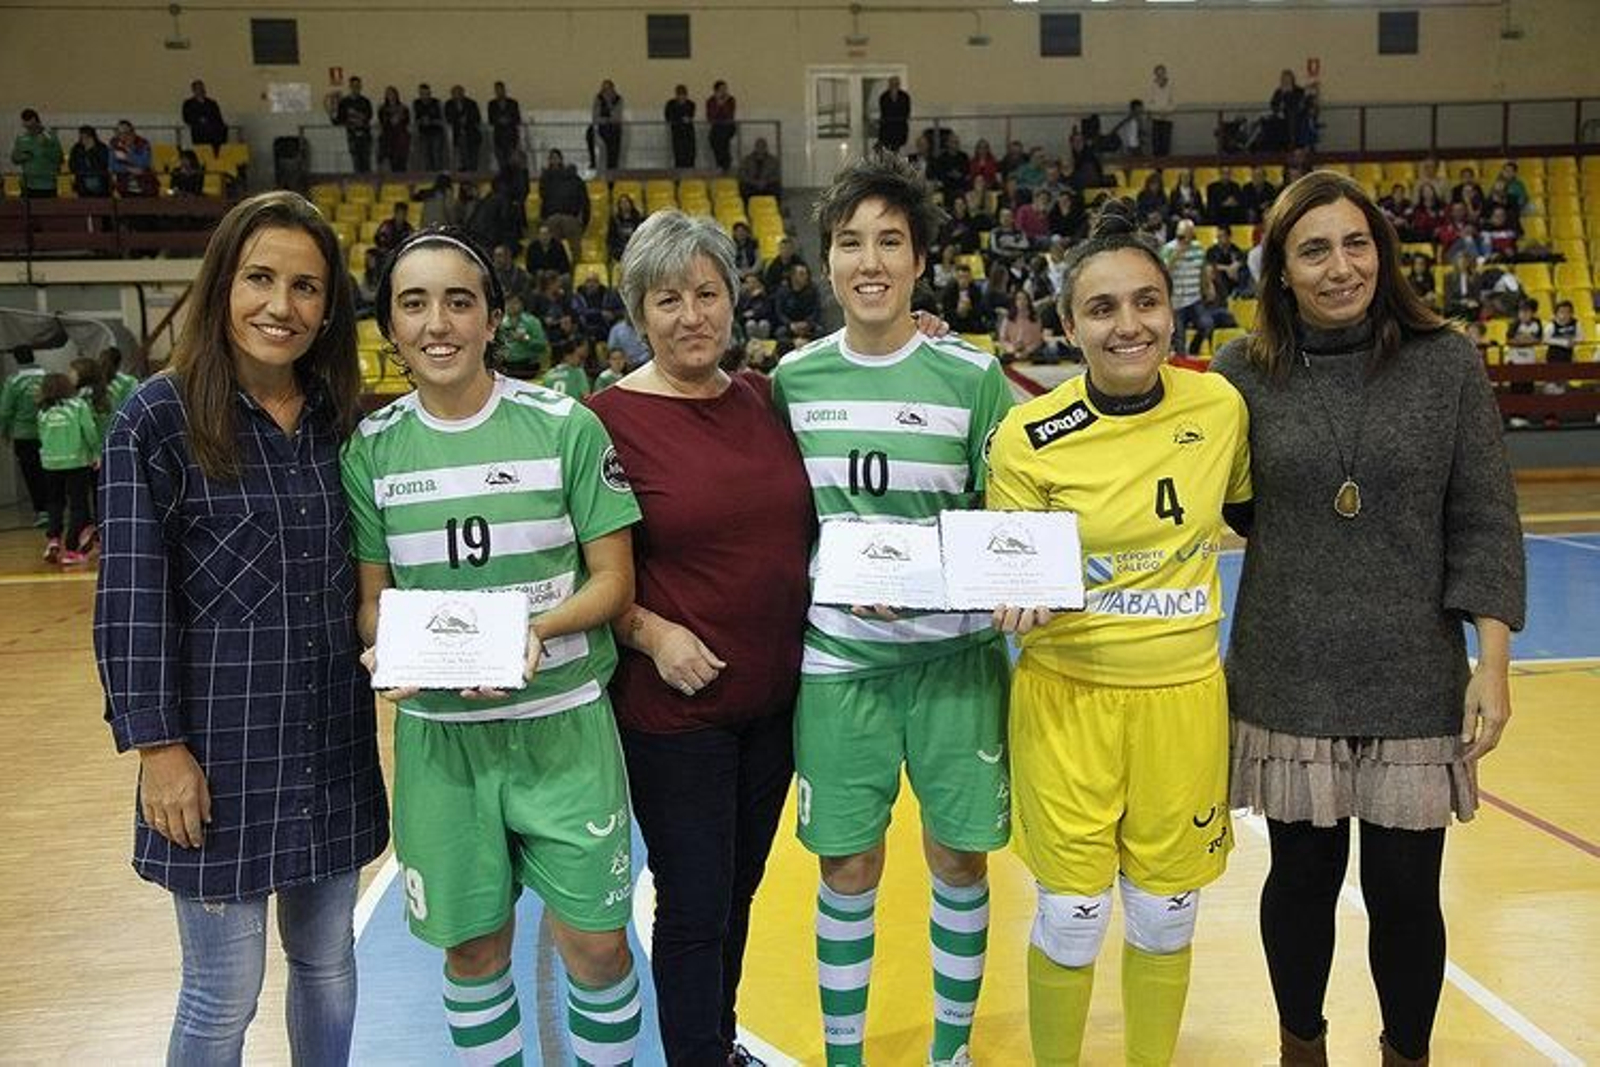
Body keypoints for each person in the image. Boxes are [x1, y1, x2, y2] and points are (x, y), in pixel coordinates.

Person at [1212, 171, 1525, 1067]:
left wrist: (1492, 663)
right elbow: (1187, 467)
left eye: (1356, 244)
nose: (1340, 266)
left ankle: (1407, 1055)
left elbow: (1485, 516)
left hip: (1414, 675)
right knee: (1302, 880)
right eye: (1314, 249)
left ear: (1382, 255)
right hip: (1288, 669)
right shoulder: (1241, 372)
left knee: (1405, 890)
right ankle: (1299, 1049)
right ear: (1282, 271)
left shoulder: (1447, 362)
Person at [93, 190, 388, 1063]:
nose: (280, 306)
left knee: (329, 963)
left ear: (328, 307)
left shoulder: (346, 426)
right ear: (223, 284)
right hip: (215, 760)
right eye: (260, 278)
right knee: (223, 994)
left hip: (332, 747)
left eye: (305, 287)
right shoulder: (156, 419)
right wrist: (158, 748)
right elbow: (130, 602)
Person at [345, 226, 643, 1065]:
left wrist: (534, 633)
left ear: (492, 320)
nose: (437, 322)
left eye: (458, 301)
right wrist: (386, 648)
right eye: (414, 303)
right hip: (443, 743)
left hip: (563, 731)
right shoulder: (372, 451)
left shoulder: (564, 426)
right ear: (392, 329)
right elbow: (373, 603)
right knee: (472, 952)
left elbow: (612, 582)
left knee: (598, 948)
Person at [986, 198, 1251, 1067]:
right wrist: (1010, 597)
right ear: (1069, 323)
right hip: (1068, 701)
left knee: (1167, 912)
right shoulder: (1030, 434)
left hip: (1184, 700)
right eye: (1102, 308)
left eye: (1146, 302)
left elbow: (1259, 516)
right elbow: (1010, 567)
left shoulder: (1219, 406)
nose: (1129, 325)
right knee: (1070, 914)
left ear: (1170, 308)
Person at [771, 153, 1014, 1067]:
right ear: (825, 262)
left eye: (890, 241)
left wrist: (957, 575)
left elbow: (1007, 522)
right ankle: (845, 1056)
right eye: (849, 242)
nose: (869, 260)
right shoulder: (792, 382)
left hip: (956, 665)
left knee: (959, 859)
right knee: (847, 867)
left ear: (919, 261)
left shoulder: (971, 376)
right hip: (839, 668)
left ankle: (948, 1050)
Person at [588, 209, 814, 1067]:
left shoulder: (763, 397)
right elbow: (581, 566)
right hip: (675, 715)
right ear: (639, 312)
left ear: (732, 300)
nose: (693, 315)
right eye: (668, 298)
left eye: (708, 293)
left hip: (773, 704)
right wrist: (648, 631)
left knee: (740, 892)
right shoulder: (603, 420)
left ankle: (715, 1046)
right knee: (692, 904)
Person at [35, 371, 97, 564]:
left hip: (50, 464)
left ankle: (53, 539)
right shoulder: (78, 405)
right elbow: (89, 430)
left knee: (54, 503)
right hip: (76, 462)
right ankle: (71, 548)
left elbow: (40, 436)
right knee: (78, 504)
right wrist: (95, 452)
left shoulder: (43, 411)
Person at [1, 345, 49, 524]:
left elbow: (5, 411)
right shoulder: (48, 377)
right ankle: (56, 507)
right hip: (48, 433)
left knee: (31, 473)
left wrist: (4, 432)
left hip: (23, 435)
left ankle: (42, 511)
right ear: (33, 356)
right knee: (49, 472)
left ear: (16, 359)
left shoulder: (13, 382)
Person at [539, 149, 591, 247]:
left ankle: (572, 261)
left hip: (567, 217)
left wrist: (584, 221)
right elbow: (543, 198)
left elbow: (584, 202)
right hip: (556, 218)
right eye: (552, 158)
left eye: (556, 158)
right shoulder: (545, 179)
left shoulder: (574, 179)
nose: (554, 161)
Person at [12, 109, 63, 198]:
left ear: (34, 120)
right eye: (24, 122)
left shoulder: (49, 136)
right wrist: (22, 157)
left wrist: (45, 147)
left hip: (47, 185)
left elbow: (59, 158)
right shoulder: (22, 138)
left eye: (28, 121)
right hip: (27, 185)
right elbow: (14, 158)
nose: (25, 125)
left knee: (45, 210)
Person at [334, 76, 374, 173]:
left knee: (366, 160)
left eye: (358, 85)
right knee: (356, 161)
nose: (356, 88)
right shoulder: (344, 102)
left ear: (360, 86)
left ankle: (368, 183)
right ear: (350, 87)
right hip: (352, 135)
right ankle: (359, 184)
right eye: (354, 86)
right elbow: (339, 120)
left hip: (365, 135)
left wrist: (360, 119)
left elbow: (369, 116)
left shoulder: (365, 101)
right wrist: (332, 115)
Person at [110, 120, 156, 196]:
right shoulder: (114, 143)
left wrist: (129, 151)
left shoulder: (143, 143)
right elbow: (112, 165)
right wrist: (128, 169)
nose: (123, 136)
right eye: (120, 133)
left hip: (144, 182)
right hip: (124, 182)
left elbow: (145, 163)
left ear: (132, 132)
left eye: (126, 133)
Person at [445, 85, 483, 172]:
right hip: (458, 136)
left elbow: (477, 118)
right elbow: (448, 118)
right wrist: (459, 120)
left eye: (459, 93)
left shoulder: (471, 103)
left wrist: (468, 119)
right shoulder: (449, 104)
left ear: (463, 93)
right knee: (461, 161)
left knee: (473, 161)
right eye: (455, 94)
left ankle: (473, 175)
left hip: (472, 136)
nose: (457, 96)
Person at [182, 80, 227, 153]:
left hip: (214, 135)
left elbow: (219, 118)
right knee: (202, 155)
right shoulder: (188, 104)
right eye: (198, 88)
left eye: (202, 88)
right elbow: (186, 118)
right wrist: (199, 120)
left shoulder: (212, 103)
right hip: (199, 134)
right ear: (193, 90)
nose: (200, 90)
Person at [487, 81, 522, 170]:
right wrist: (499, 121)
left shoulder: (513, 103)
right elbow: (490, 120)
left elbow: (517, 119)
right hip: (499, 137)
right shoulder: (492, 104)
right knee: (501, 163)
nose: (499, 92)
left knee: (512, 163)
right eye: (497, 90)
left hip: (511, 137)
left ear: (504, 90)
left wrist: (508, 120)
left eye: (500, 90)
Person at [69, 125, 112, 197]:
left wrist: (91, 152)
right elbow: (72, 165)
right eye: (81, 137)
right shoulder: (77, 148)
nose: (84, 140)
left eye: (86, 137)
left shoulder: (102, 148)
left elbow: (104, 164)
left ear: (93, 137)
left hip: (100, 184)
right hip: (82, 183)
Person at [413, 84, 448, 172]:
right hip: (423, 132)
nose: (424, 96)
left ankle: (437, 173)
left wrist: (431, 120)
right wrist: (422, 121)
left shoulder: (437, 102)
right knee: (425, 155)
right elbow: (415, 120)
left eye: (426, 93)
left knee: (436, 154)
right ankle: (428, 175)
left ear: (430, 93)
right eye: (422, 93)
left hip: (436, 131)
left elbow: (443, 120)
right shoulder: (416, 103)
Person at [592, 79, 624, 171]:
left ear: (613, 89)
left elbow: (617, 118)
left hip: (614, 131)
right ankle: (596, 166)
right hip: (601, 130)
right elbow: (595, 118)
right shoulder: (598, 99)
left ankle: (612, 170)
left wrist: (609, 105)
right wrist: (607, 120)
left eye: (608, 89)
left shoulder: (618, 99)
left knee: (613, 153)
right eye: (604, 90)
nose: (606, 92)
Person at [378, 85, 412, 172]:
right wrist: (391, 120)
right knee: (389, 161)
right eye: (388, 94)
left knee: (401, 161)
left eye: (392, 94)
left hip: (401, 138)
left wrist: (399, 118)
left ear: (396, 95)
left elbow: (407, 121)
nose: (391, 96)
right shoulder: (382, 109)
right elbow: (382, 123)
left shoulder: (403, 108)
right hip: (388, 138)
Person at [706, 80, 738, 172]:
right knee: (713, 140)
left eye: (725, 89)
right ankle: (721, 164)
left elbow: (730, 115)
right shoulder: (711, 100)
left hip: (728, 126)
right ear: (716, 90)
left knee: (722, 141)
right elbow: (710, 117)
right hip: (717, 127)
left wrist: (723, 104)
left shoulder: (731, 99)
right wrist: (717, 104)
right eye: (722, 89)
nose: (724, 91)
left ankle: (725, 164)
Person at [876, 76, 912, 153]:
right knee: (886, 149)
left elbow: (906, 111)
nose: (894, 86)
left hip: (900, 128)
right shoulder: (884, 96)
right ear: (889, 85)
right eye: (892, 84)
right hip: (887, 128)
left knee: (897, 149)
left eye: (896, 84)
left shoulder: (904, 96)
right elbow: (884, 111)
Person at [665, 84, 696, 170]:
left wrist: (681, 118)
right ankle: (679, 179)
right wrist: (681, 119)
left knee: (690, 156)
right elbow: (669, 117)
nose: (682, 97)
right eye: (680, 95)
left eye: (684, 95)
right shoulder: (671, 104)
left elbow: (689, 117)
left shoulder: (690, 104)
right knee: (679, 157)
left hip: (688, 134)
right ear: (676, 95)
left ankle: (690, 178)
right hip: (677, 134)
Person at [1148, 65, 1175, 157]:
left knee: (1165, 143)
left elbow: (1174, 102)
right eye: (1158, 74)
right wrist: (1158, 111)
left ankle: (1165, 164)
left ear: (1165, 73)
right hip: (1156, 118)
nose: (1160, 76)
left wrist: (1166, 111)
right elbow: (1149, 103)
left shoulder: (1171, 85)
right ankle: (1157, 165)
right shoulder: (1151, 86)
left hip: (1168, 118)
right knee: (1156, 143)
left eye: (1162, 73)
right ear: (1155, 74)